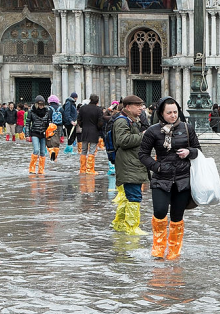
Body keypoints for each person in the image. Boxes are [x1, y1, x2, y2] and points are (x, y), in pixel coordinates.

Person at [138, 97, 201, 259]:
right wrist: (156, 166)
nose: (173, 115)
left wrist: (189, 152)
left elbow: (198, 151)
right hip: (161, 178)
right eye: (169, 113)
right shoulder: (152, 131)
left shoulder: (187, 128)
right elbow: (143, 155)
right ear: (161, 113)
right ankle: (158, 249)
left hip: (182, 179)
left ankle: (174, 251)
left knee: (177, 216)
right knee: (159, 212)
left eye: (175, 112)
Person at [111, 95, 149, 235]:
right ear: (128, 107)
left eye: (141, 105)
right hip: (129, 164)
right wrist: (143, 135)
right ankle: (132, 227)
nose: (141, 108)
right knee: (134, 196)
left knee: (128, 196)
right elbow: (123, 140)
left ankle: (119, 223)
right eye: (137, 106)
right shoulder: (122, 121)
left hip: (130, 162)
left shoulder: (131, 120)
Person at [77, 94, 103, 175]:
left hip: (84, 131)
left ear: (90, 99)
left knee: (83, 150)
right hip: (94, 131)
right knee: (92, 150)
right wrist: (98, 128)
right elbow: (100, 122)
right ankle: (90, 169)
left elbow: (79, 120)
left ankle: (82, 169)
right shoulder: (98, 110)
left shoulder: (82, 108)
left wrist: (83, 126)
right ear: (97, 101)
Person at [26, 95, 52, 174]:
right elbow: (27, 123)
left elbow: (49, 122)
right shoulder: (31, 111)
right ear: (36, 104)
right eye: (39, 104)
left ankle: (41, 169)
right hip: (34, 132)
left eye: (42, 104)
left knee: (43, 152)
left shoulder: (47, 111)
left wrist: (50, 133)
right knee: (36, 150)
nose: (41, 106)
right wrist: (27, 135)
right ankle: (32, 168)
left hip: (43, 133)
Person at [46, 95, 63, 161]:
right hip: (59, 126)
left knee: (49, 141)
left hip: (51, 126)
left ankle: (51, 152)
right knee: (57, 142)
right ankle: (55, 157)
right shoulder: (60, 109)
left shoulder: (48, 109)